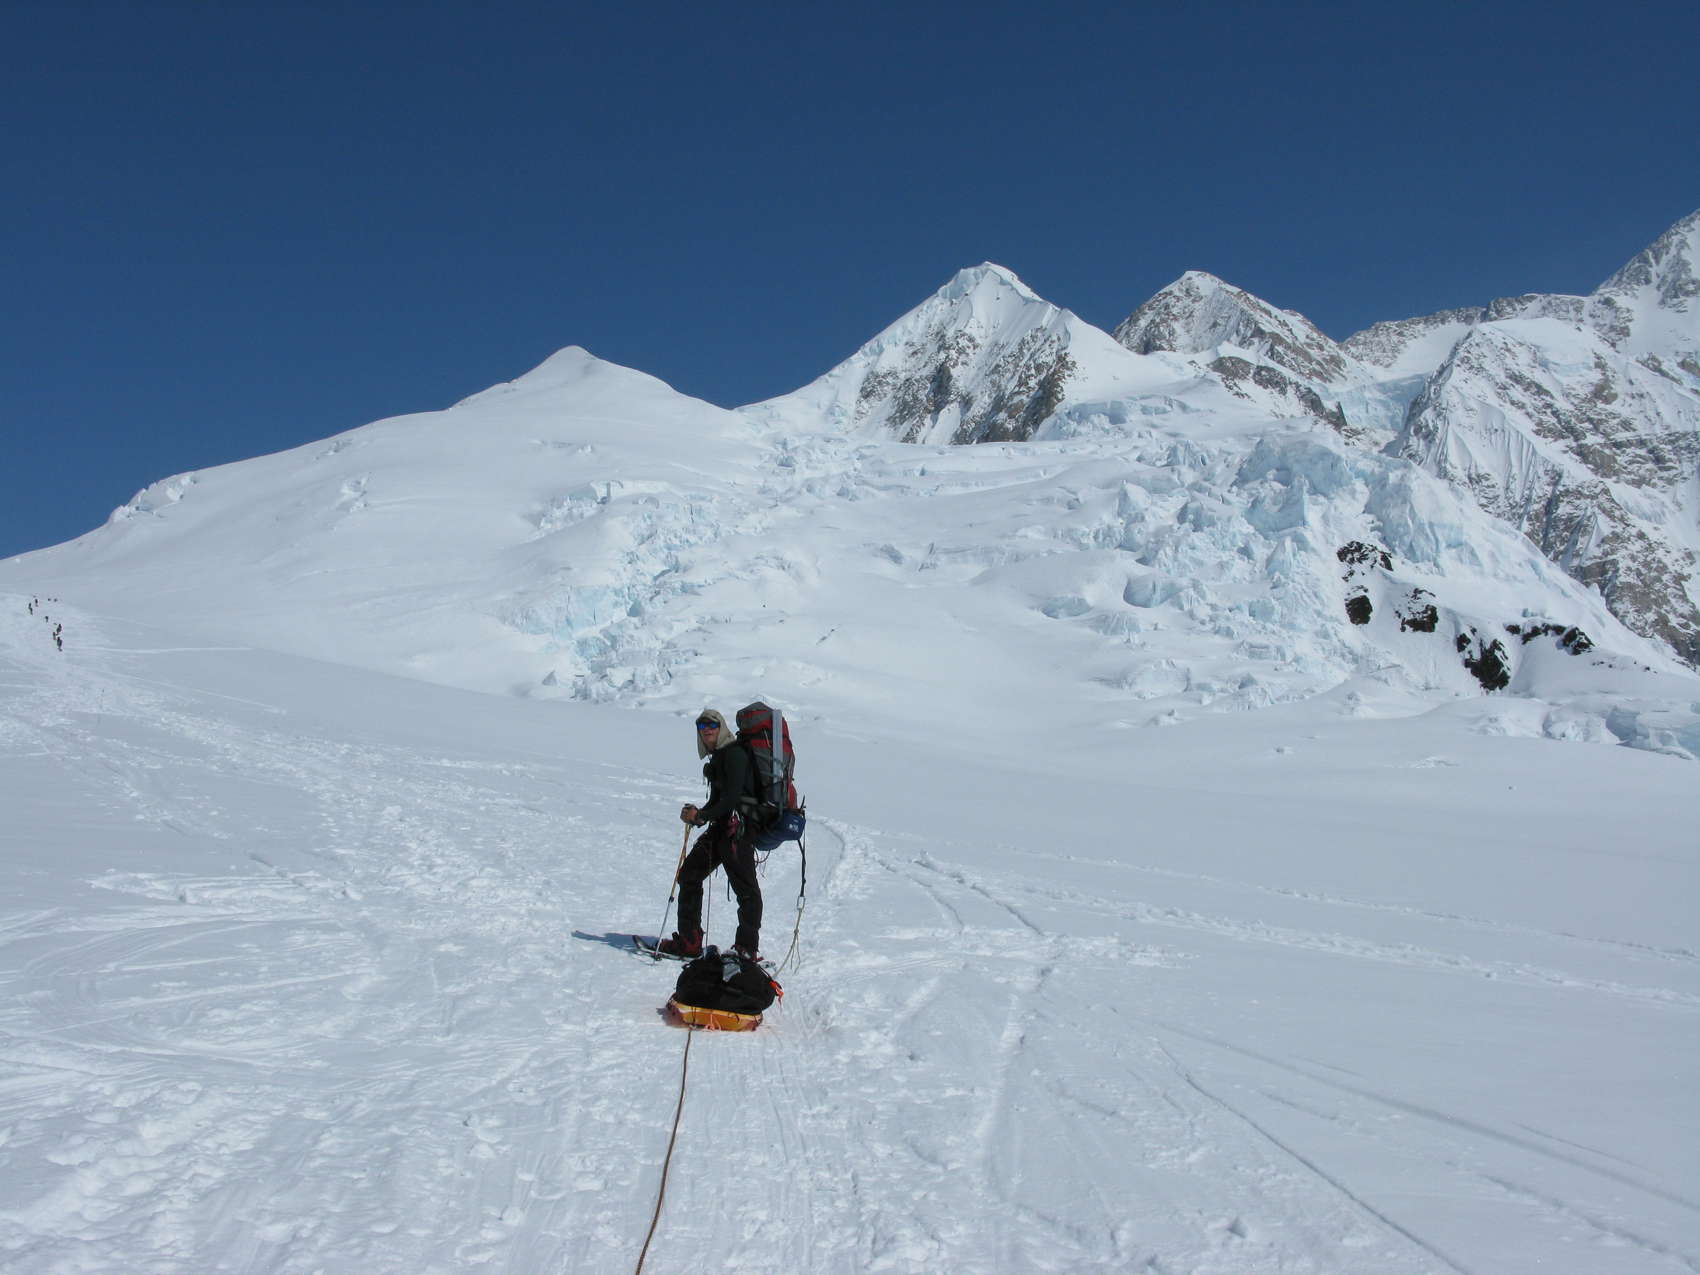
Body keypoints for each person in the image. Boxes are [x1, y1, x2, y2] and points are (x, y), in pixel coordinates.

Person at [656, 708, 762, 960]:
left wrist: (702, 815)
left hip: (738, 832)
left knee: (747, 891)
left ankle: (746, 949)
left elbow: (732, 798)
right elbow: (719, 801)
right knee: (689, 875)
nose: (706, 730)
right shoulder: (719, 757)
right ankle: (690, 942)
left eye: (712, 725)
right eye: (702, 727)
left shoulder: (734, 754)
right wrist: (699, 815)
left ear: (721, 727)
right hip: (721, 830)